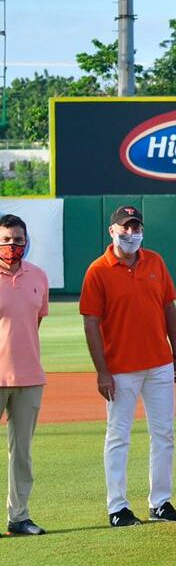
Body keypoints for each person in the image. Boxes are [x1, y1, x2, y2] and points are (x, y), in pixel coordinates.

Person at [80, 205, 176, 527]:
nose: (130, 233)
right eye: (124, 227)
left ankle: (161, 501)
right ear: (112, 231)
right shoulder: (98, 270)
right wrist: (102, 370)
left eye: (135, 226)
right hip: (120, 368)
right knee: (118, 436)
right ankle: (117, 507)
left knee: (164, 434)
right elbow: (91, 323)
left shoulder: (155, 261)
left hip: (158, 364)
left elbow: (169, 308)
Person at [0, 215, 49, 536]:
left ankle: (19, 517)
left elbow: (36, 322)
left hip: (30, 377)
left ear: (26, 241)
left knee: (22, 454)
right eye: (5, 240)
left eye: (18, 240)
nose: (11, 246)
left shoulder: (38, 276)